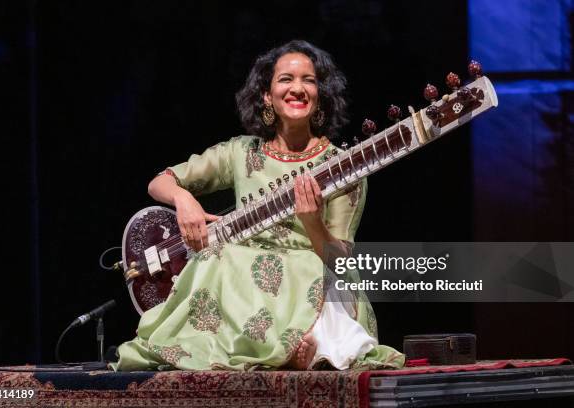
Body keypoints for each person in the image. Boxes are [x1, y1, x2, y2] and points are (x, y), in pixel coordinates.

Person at [112, 40, 404, 371]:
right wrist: (184, 199)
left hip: (312, 275)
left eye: (308, 80)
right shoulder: (242, 153)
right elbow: (158, 183)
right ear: (266, 95)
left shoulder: (342, 166)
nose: (298, 88)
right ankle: (287, 349)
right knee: (219, 258)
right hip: (246, 286)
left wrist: (312, 224)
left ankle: (302, 343)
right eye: (286, 80)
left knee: (292, 268)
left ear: (320, 94)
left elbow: (339, 263)